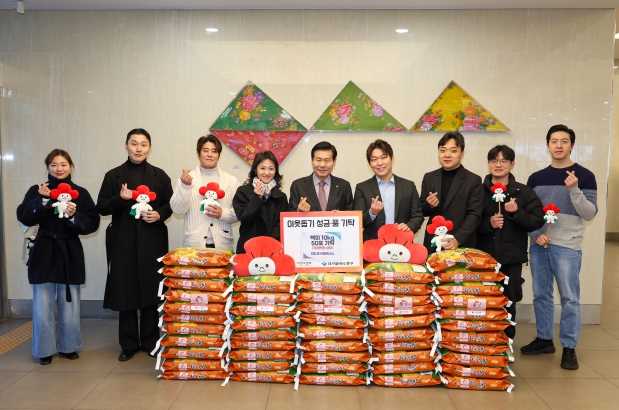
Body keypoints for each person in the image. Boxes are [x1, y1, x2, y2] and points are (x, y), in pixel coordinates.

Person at [520, 124, 597, 370]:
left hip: (567, 246)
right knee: (541, 294)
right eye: (554, 141)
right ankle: (544, 339)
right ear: (547, 146)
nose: (559, 145)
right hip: (539, 245)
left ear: (572, 145)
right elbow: (528, 214)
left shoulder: (585, 176)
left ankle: (569, 347)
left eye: (564, 141)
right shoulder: (536, 178)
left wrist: (574, 189)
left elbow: (589, 213)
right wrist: (535, 235)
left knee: (569, 298)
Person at [16, 149, 100, 365]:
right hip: (43, 250)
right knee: (42, 305)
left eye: (63, 164)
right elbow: (23, 215)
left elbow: (92, 223)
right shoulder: (37, 190)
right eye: (54, 165)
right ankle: (44, 350)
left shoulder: (80, 193)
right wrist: (42, 200)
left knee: (69, 303)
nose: (59, 169)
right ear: (47, 167)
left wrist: (73, 216)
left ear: (71, 166)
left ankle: (68, 346)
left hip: (69, 250)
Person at [96, 128, 173, 362]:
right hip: (123, 240)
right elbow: (101, 207)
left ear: (150, 147)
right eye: (134, 143)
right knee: (125, 290)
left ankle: (150, 341)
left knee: (151, 289)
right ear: (126, 146)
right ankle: (128, 344)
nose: (138, 149)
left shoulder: (160, 176)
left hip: (152, 240)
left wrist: (159, 214)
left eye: (143, 144)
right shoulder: (113, 176)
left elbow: (171, 205)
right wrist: (121, 199)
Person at [476, 145, 545, 339]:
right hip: (482, 258)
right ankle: (482, 342)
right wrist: (488, 223)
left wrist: (517, 213)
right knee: (481, 301)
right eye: (494, 160)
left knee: (508, 301)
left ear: (512, 164)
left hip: (511, 258)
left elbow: (537, 221)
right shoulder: (477, 191)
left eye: (504, 160)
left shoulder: (524, 192)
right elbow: (467, 222)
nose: (498, 164)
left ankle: (506, 342)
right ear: (488, 163)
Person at [170, 135, 240, 250]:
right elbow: (177, 210)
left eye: (214, 151)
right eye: (205, 150)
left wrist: (222, 214)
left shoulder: (231, 181)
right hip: (194, 246)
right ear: (198, 154)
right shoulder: (187, 178)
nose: (210, 154)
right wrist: (185, 186)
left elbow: (240, 213)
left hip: (223, 245)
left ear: (219, 155)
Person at [420, 131, 483, 253]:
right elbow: (421, 210)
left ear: (462, 154)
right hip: (434, 243)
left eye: (453, 151)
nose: (447, 155)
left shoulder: (473, 180)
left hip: (461, 244)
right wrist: (429, 205)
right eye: (443, 150)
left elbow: (474, 215)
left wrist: (457, 239)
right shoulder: (429, 177)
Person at [353, 139, 424, 242]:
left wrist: (409, 226)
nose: (379, 163)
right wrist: (372, 213)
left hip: (402, 244)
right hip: (373, 245)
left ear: (392, 158)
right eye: (374, 159)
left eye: (383, 157)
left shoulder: (408, 186)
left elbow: (417, 216)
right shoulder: (362, 188)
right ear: (370, 163)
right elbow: (358, 222)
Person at [233, 151, 288, 253]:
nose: (267, 172)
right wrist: (257, 198)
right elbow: (244, 218)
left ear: (275, 171)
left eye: (271, 168)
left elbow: (281, 224)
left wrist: (268, 244)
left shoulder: (281, 196)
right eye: (262, 168)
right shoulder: (243, 191)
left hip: (272, 248)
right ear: (255, 170)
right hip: (248, 248)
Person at [288, 141, 353, 213]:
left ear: (334, 161)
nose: (322, 165)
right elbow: (290, 213)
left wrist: (340, 215)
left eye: (327, 160)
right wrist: (299, 211)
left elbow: (351, 214)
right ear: (312, 160)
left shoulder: (344, 186)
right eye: (318, 160)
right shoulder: (298, 185)